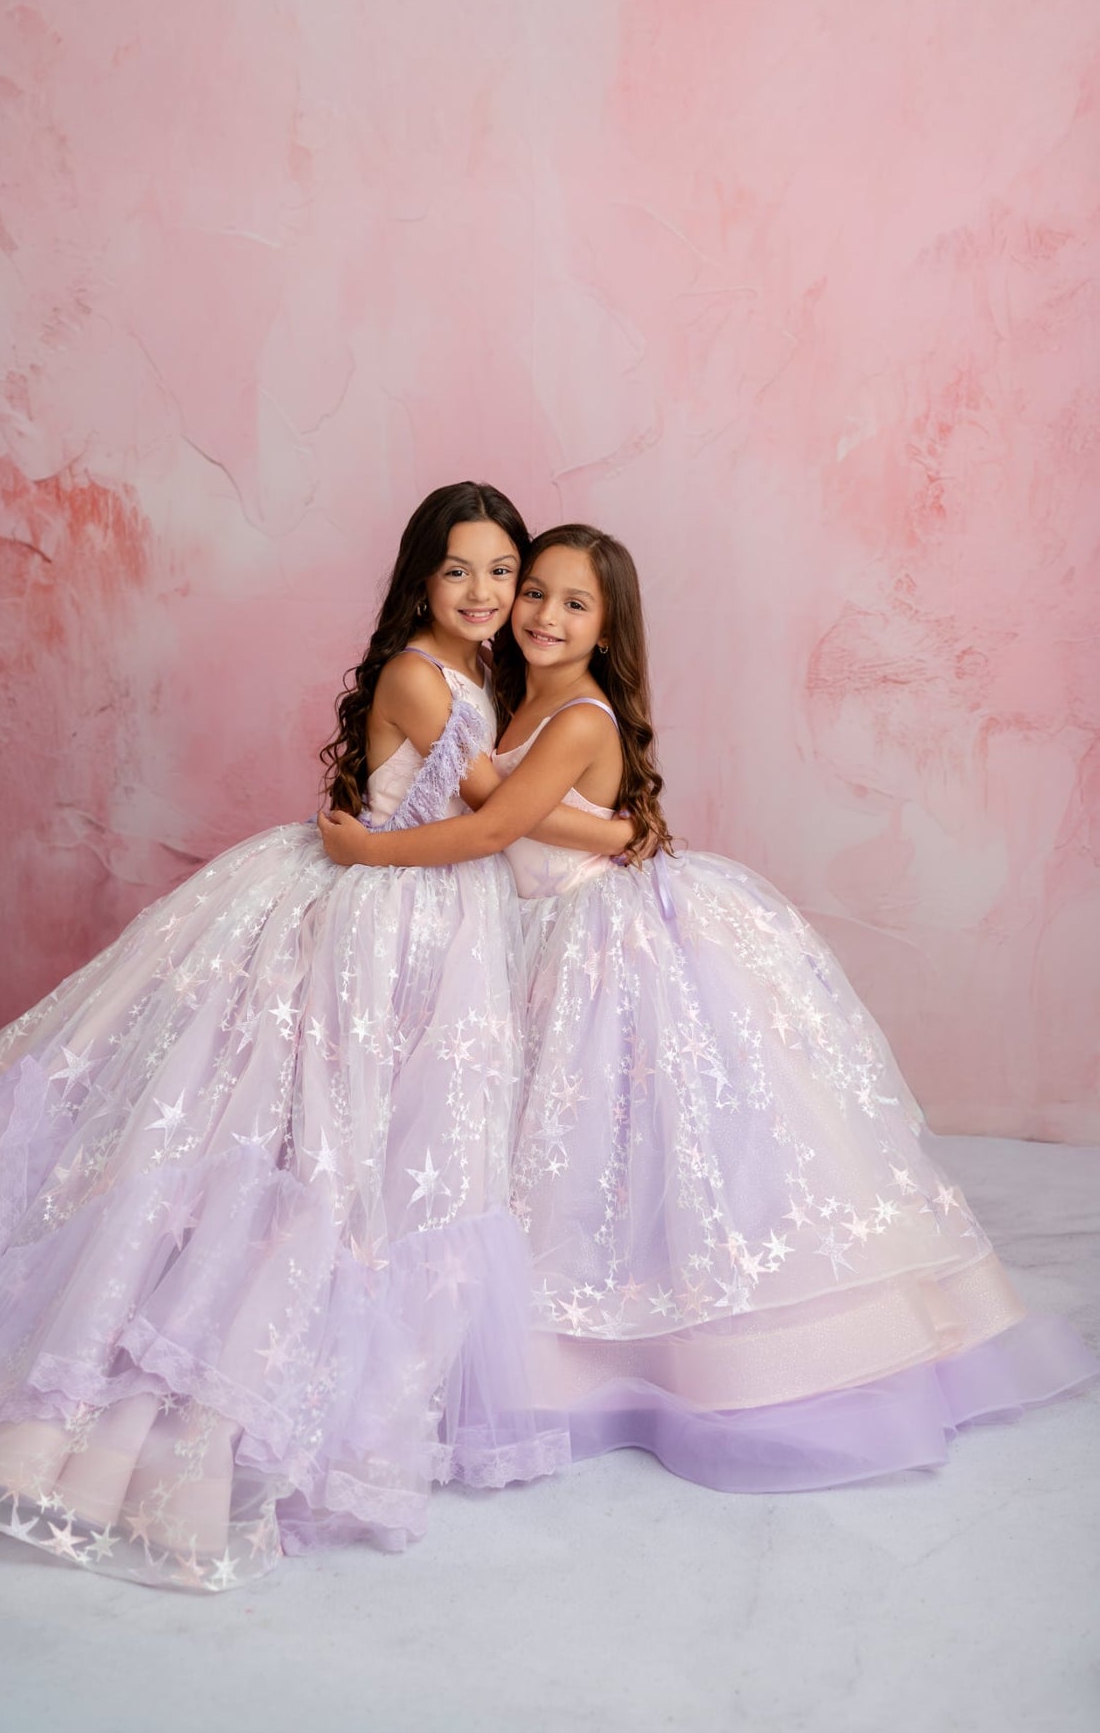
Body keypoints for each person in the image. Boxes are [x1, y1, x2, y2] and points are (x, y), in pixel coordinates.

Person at [0, 484, 630, 1591]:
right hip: (374, 915)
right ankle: (181, 1376)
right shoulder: (417, 677)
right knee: (303, 1129)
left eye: (503, 573)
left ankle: (360, 1367)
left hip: (437, 924)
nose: (487, 596)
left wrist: (612, 824)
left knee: (399, 1139)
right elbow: (495, 806)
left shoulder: (484, 675)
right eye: (460, 573)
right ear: (419, 582)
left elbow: (507, 806)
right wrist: (616, 825)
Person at [320, 523, 1097, 1488]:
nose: (543, 614)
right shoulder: (516, 703)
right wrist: (619, 825)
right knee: (582, 1144)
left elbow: (497, 823)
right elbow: (518, 801)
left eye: (574, 603)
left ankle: (699, 1350)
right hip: (549, 925)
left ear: (607, 628)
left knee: (659, 1138)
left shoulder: (580, 720)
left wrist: (368, 850)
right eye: (536, 592)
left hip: (606, 938)